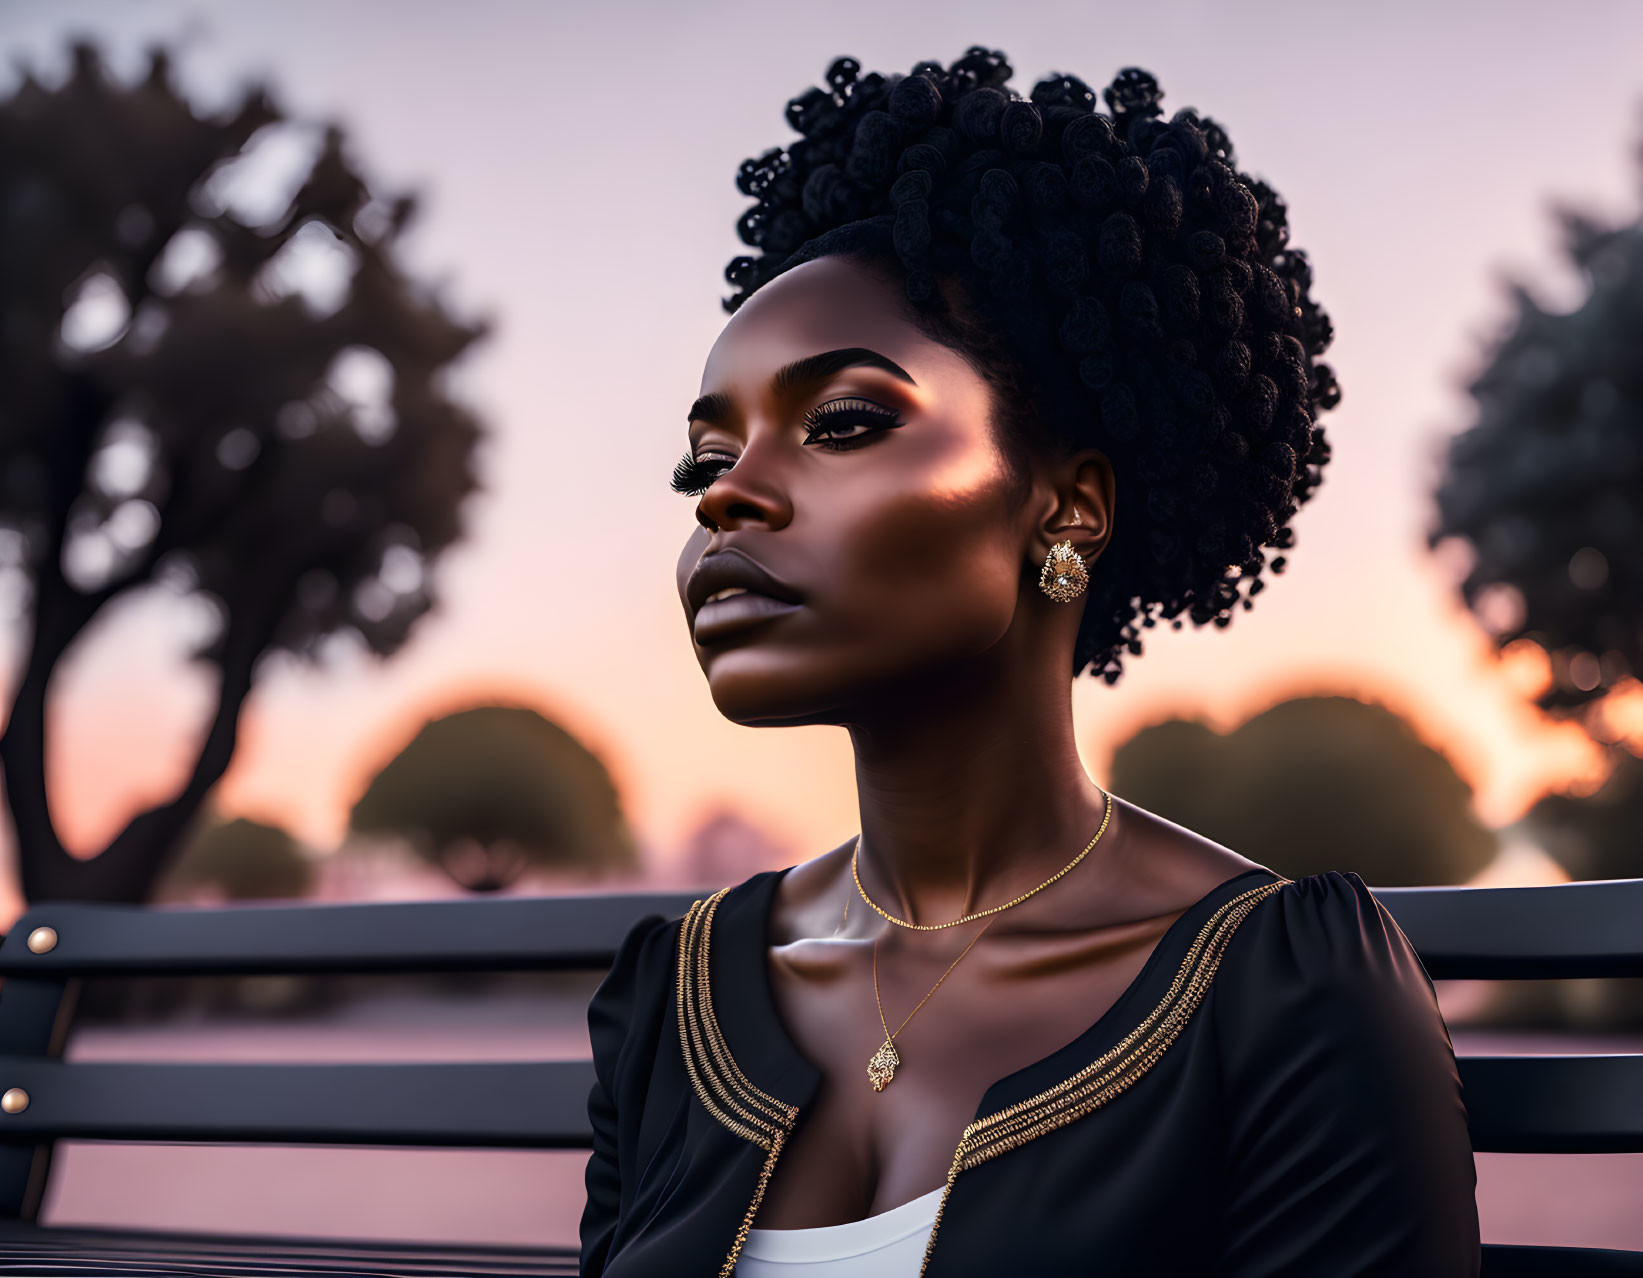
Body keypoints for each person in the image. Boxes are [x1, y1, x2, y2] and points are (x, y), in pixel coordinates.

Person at [579, 46, 1480, 1277]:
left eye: (840, 422)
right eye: (704, 461)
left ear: (1066, 509)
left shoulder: (1280, 992)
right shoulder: (672, 1001)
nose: (727, 497)